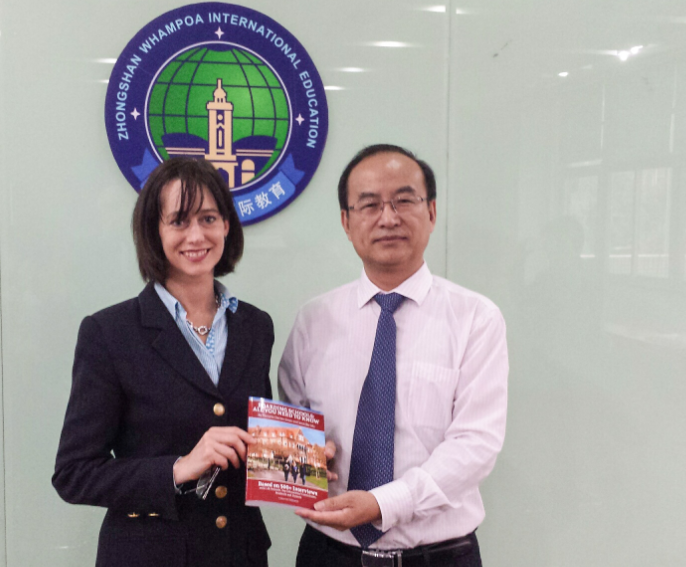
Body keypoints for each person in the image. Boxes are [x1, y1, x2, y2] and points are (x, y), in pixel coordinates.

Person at [279, 145, 508, 567]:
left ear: (431, 212)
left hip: (440, 557)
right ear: (346, 223)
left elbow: (475, 443)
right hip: (329, 555)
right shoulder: (313, 320)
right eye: (369, 205)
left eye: (404, 200)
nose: (388, 218)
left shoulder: (476, 318)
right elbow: (293, 422)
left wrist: (384, 503)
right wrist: (306, 457)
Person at [52, 158, 274, 567]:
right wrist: (179, 468)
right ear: (154, 232)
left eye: (208, 218)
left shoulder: (255, 326)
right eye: (178, 221)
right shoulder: (109, 332)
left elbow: (253, 443)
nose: (196, 235)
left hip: (239, 554)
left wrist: (306, 460)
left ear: (227, 225)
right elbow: (74, 474)